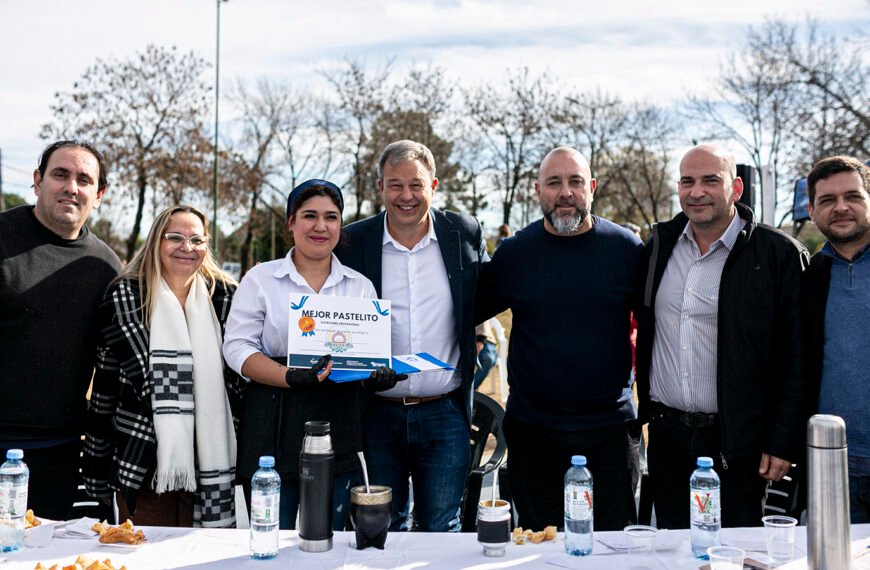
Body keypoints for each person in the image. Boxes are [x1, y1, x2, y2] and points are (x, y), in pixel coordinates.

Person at [635, 144, 809, 529]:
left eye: (710, 180)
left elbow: (799, 358)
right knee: (673, 550)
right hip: (667, 437)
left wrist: (783, 441)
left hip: (738, 444)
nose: (696, 192)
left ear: (736, 188)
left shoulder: (777, 254)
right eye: (687, 181)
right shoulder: (657, 249)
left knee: (734, 552)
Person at [476, 146, 643, 531]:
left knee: (613, 548)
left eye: (575, 182)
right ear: (537, 191)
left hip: (610, 430)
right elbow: (460, 310)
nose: (565, 192)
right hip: (535, 431)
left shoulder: (626, 250)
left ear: (592, 188)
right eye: (554, 183)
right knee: (538, 543)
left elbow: (661, 322)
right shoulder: (515, 254)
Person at [223, 179, 405, 531]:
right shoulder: (260, 279)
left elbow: (371, 354)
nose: (320, 226)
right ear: (291, 223)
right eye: (309, 216)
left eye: (331, 217)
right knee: (273, 533)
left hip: (338, 424)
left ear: (341, 225)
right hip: (274, 420)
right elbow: (237, 348)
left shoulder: (359, 286)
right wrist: (289, 376)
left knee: (328, 537)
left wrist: (378, 374)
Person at [337, 140, 488, 532]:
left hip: (445, 412)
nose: (406, 196)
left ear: (433, 185)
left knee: (441, 529)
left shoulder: (463, 233)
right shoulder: (353, 242)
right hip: (376, 413)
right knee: (377, 530)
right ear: (380, 187)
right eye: (395, 185)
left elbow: (489, 293)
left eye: (416, 185)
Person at [83, 205, 241, 527]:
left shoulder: (225, 296)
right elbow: (135, 383)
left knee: (204, 559)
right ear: (156, 241)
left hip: (213, 457)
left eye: (197, 239)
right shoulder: (127, 295)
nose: (187, 247)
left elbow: (237, 379)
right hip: (144, 460)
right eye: (175, 237)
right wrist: (97, 470)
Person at [0, 140, 121, 520]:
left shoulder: (105, 265)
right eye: (60, 174)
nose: (72, 187)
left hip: (61, 450)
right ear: (37, 181)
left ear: (98, 195)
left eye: (84, 179)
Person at [803, 156, 870, 523]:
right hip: (832, 464)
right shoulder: (809, 276)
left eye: (853, 197)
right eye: (827, 200)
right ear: (812, 211)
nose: (841, 207)